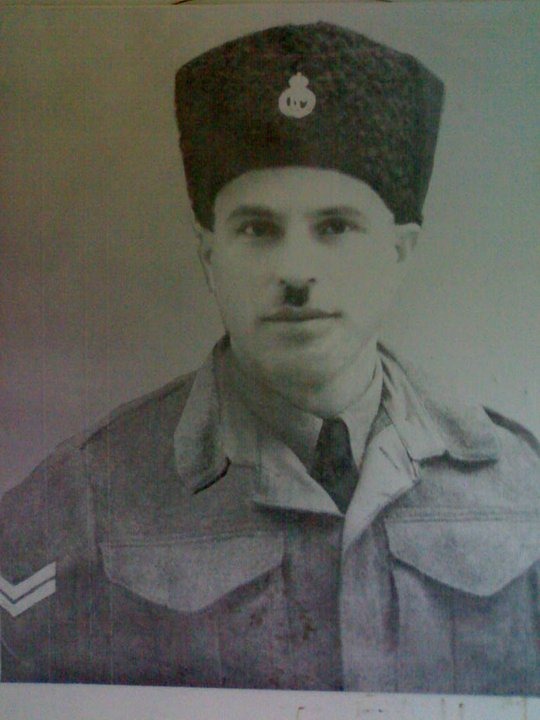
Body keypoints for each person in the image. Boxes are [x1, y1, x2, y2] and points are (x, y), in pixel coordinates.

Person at [1, 21, 538, 694]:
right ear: (210, 257)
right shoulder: (84, 495)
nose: (294, 271)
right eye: (258, 229)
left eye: (335, 227)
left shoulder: (518, 485)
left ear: (399, 253)